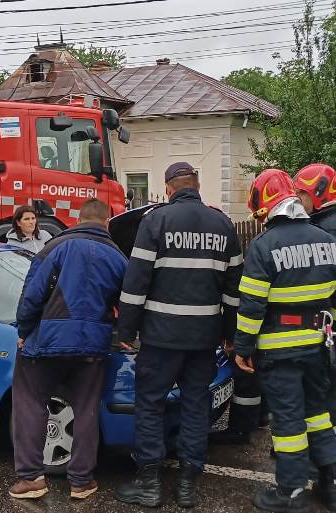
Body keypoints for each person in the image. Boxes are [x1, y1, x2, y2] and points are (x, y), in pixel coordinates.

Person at [114, 162, 242, 509]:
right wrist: (230, 335)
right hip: (204, 339)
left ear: (169, 188)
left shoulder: (155, 221)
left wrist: (126, 329)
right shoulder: (224, 225)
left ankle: (150, 485)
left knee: (151, 405)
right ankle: (187, 486)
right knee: (195, 406)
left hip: (161, 339)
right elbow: (234, 292)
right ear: (196, 186)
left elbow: (136, 282)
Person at [234, 169, 336, 513]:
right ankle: (330, 485)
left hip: (280, 351)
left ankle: (290, 491)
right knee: (318, 414)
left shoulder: (263, 246)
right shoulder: (329, 242)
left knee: (288, 422)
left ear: (266, 205)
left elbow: (252, 306)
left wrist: (243, 348)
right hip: (319, 346)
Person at [9, 199, 127, 501]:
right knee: (86, 409)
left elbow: (32, 294)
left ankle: (31, 479)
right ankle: (81, 482)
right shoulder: (118, 257)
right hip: (93, 345)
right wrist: (126, 333)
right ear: (107, 222)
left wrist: (24, 331)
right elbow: (128, 303)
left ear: (78, 218)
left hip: (48, 340)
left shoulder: (56, 247)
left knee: (31, 403)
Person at [293, 163, 336, 478]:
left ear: (317, 193)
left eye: (301, 192)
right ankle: (333, 460)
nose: (297, 198)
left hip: (325, 324)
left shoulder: (329, 228)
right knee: (325, 395)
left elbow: (331, 284)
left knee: (324, 397)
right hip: (328, 323)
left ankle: (331, 462)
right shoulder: (330, 224)